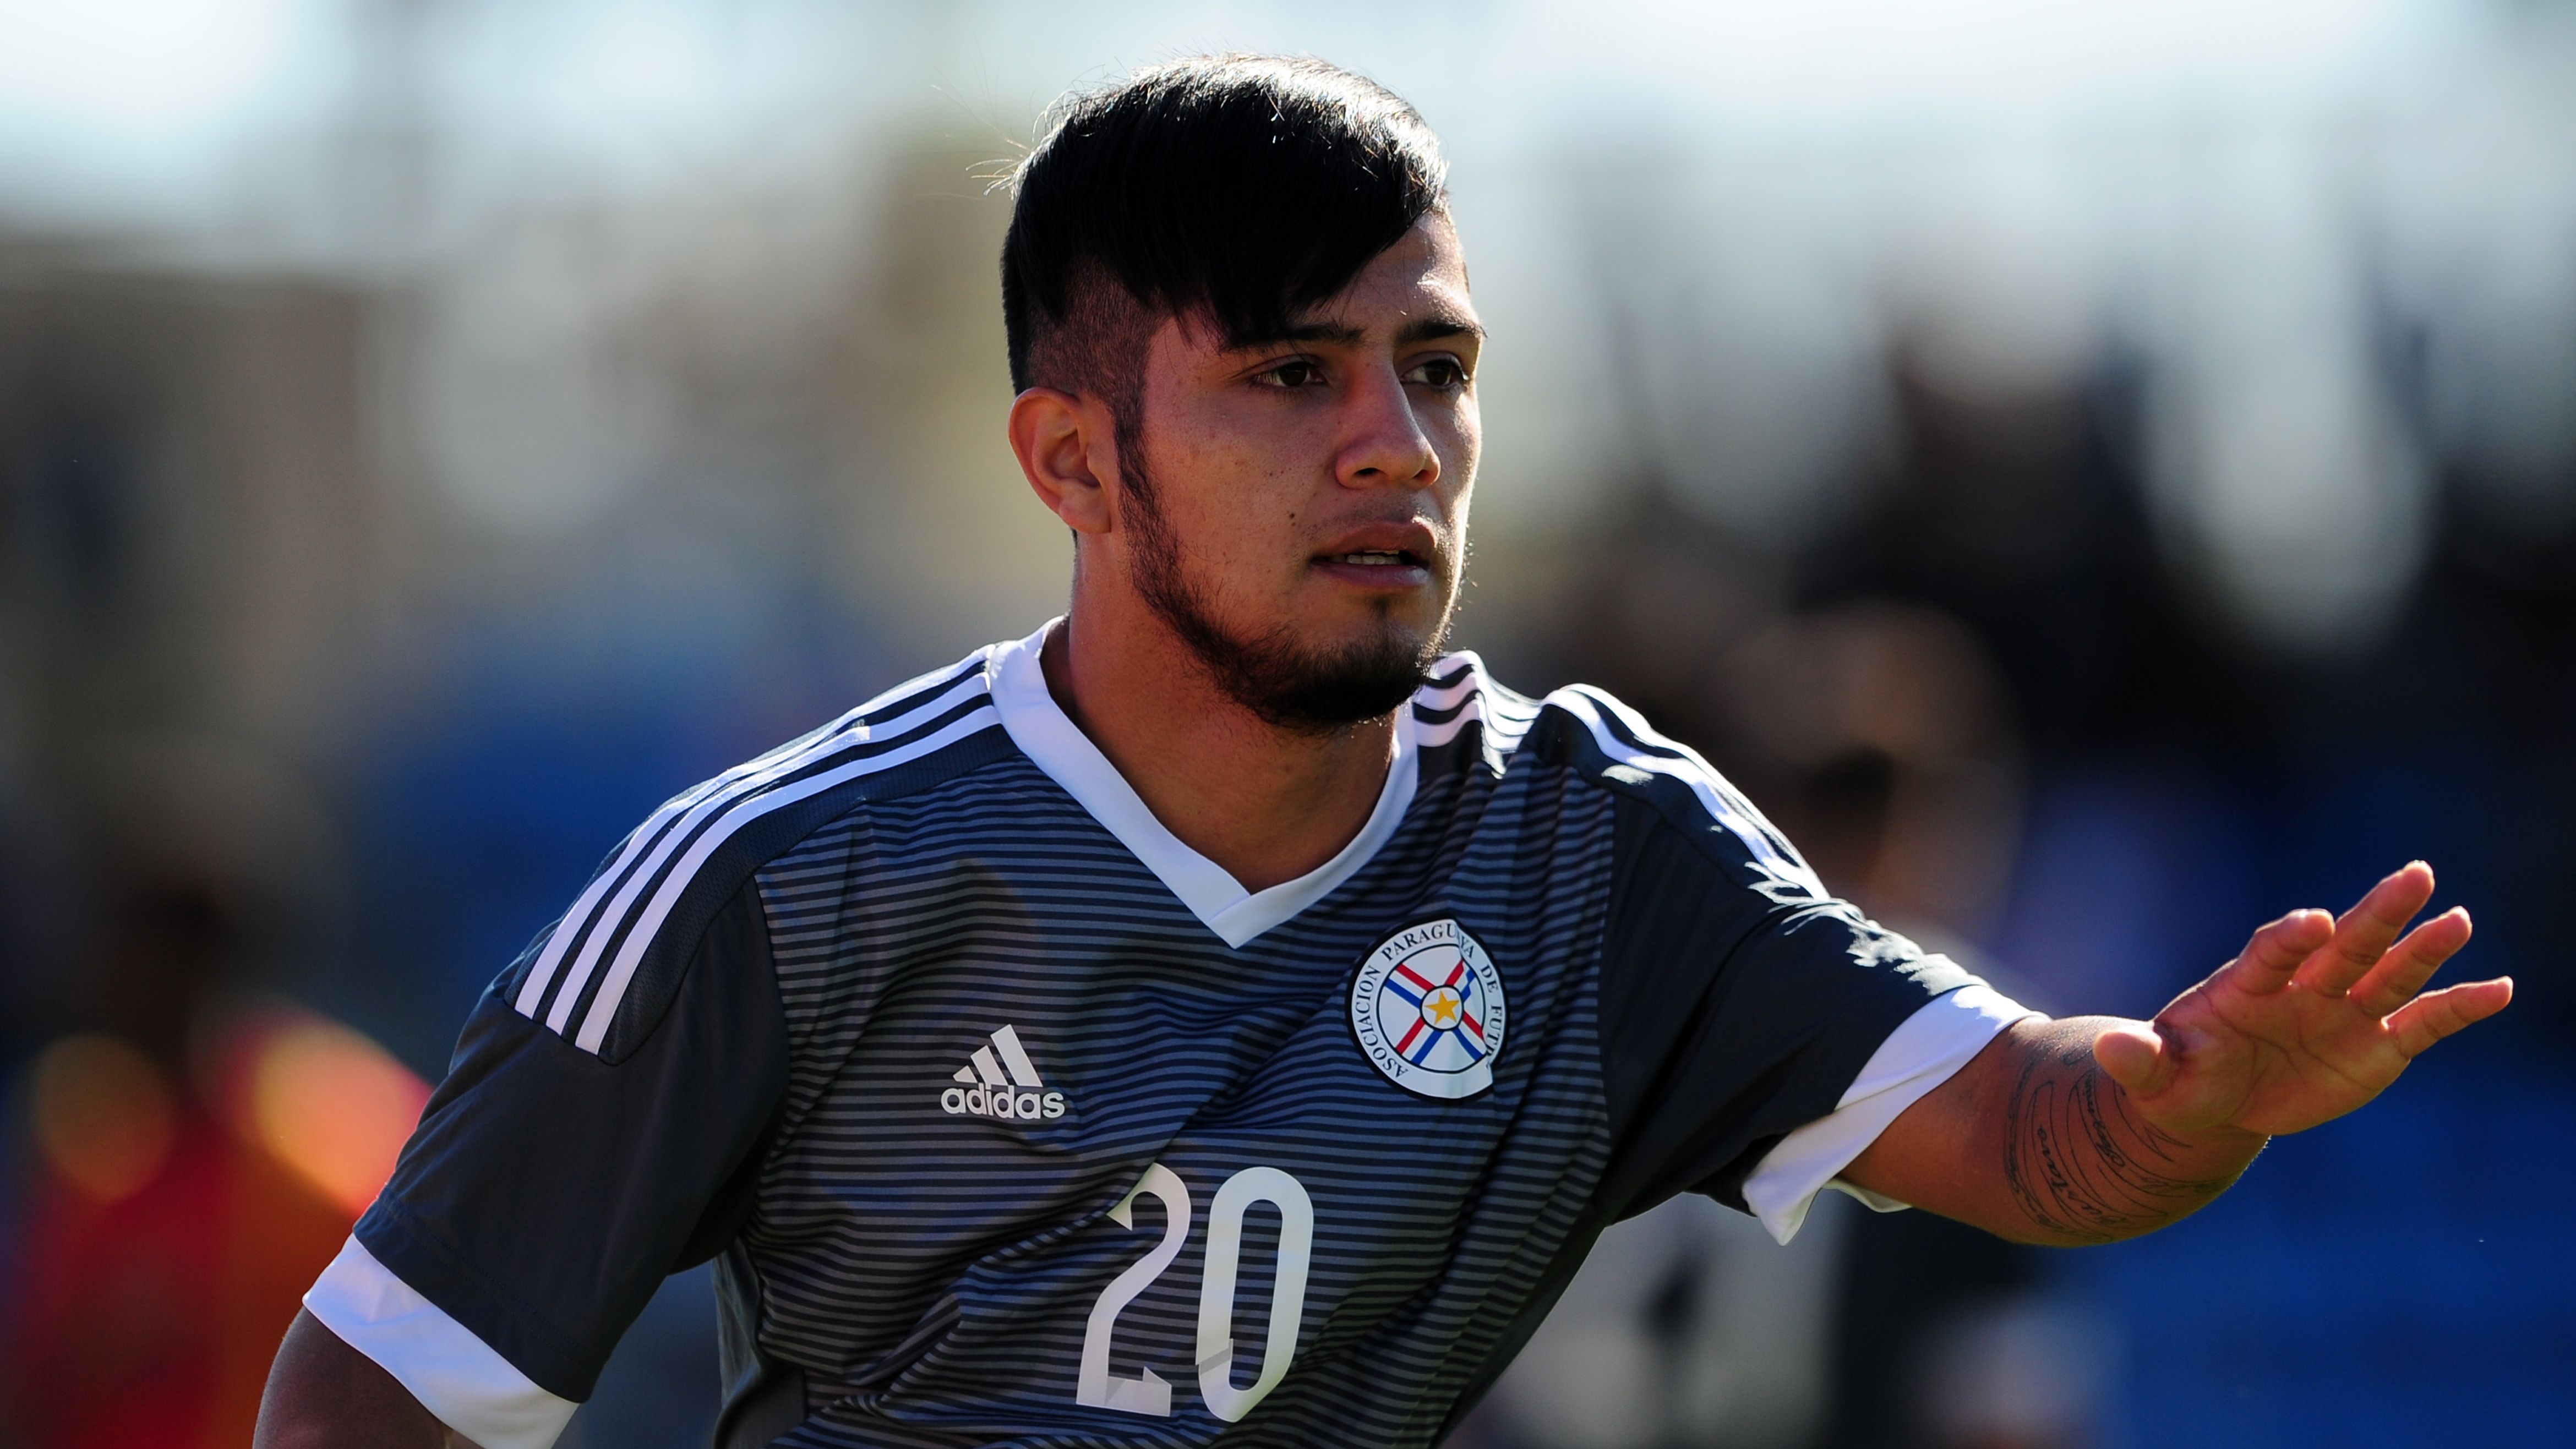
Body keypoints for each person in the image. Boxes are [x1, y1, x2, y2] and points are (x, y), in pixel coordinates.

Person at [253, 55, 2509, 1449]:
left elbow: (2041, 1132)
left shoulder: (1602, 859)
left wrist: (2179, 1093)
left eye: (1436, 367)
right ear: (1074, 456)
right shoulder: (782, 881)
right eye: (1288, 374)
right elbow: (380, 1391)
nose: (1394, 445)